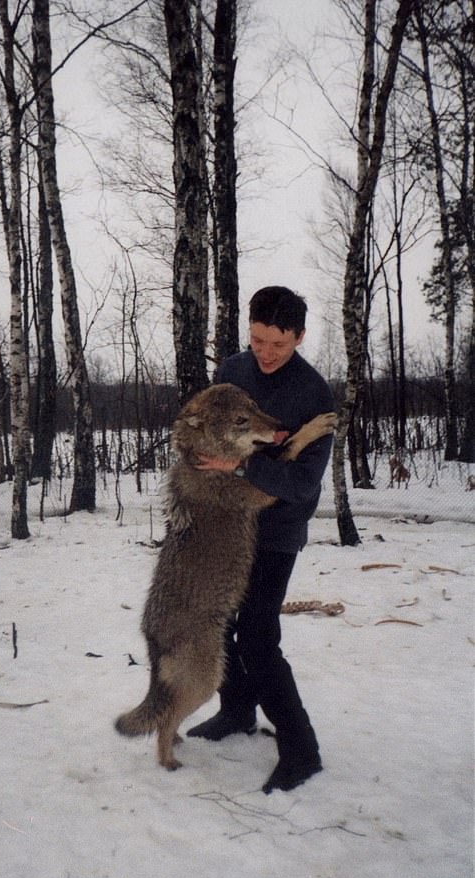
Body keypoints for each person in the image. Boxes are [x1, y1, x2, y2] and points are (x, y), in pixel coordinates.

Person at [187, 285, 335, 794]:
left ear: (299, 336)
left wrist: (244, 462)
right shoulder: (232, 372)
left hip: (277, 529)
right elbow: (211, 430)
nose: (266, 354)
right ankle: (237, 712)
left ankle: (302, 750)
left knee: (257, 637)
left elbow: (301, 484)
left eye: (279, 344)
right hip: (226, 520)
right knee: (217, 621)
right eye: (257, 341)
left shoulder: (314, 394)